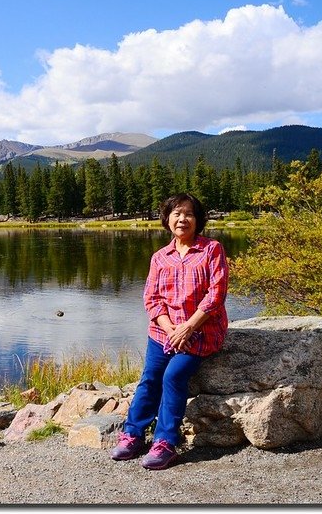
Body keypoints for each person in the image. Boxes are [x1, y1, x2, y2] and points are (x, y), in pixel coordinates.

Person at [110, 193, 229, 470]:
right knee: (150, 377)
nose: (182, 219)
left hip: (201, 329)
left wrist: (188, 327)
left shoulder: (211, 249)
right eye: (176, 213)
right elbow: (151, 299)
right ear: (167, 219)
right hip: (165, 331)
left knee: (174, 375)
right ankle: (133, 434)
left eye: (188, 214)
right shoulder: (160, 257)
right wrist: (170, 327)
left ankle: (165, 442)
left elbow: (216, 294)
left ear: (197, 220)